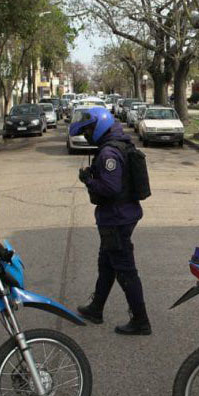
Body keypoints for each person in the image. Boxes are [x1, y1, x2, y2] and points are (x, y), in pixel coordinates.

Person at [70, 107, 151, 335]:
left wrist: (89, 180)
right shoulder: (117, 143)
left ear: (99, 126)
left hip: (116, 218)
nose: (86, 135)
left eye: (87, 130)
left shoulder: (108, 154)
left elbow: (111, 188)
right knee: (106, 264)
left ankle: (140, 320)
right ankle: (96, 308)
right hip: (120, 215)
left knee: (125, 269)